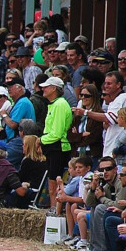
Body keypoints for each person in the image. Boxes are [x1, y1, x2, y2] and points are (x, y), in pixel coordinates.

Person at [39, 76, 72, 206]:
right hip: (52, 147)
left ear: (54, 89)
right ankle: (53, 210)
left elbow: (57, 134)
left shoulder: (60, 104)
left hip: (58, 148)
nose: (43, 89)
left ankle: (55, 212)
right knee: (51, 185)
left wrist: (40, 140)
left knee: (54, 186)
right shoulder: (54, 104)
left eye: (46, 86)